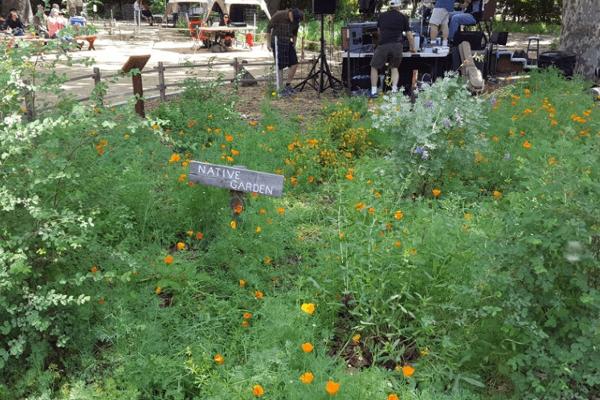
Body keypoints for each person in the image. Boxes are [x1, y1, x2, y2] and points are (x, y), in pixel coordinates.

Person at [369, 0, 415, 98]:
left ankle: (373, 91)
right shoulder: (403, 17)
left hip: (383, 45)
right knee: (394, 68)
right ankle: (394, 91)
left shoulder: (382, 16)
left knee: (374, 67)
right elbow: (409, 35)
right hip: (397, 46)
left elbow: (379, 32)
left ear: (390, 6)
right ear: (399, 6)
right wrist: (412, 47)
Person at [265, 7, 303, 97]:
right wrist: (268, 43)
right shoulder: (279, 15)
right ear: (291, 14)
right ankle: (280, 88)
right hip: (277, 42)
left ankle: (288, 85)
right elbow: (268, 27)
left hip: (288, 42)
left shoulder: (296, 20)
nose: (295, 23)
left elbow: (295, 33)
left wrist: (294, 44)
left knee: (294, 63)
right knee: (280, 65)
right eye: (294, 20)